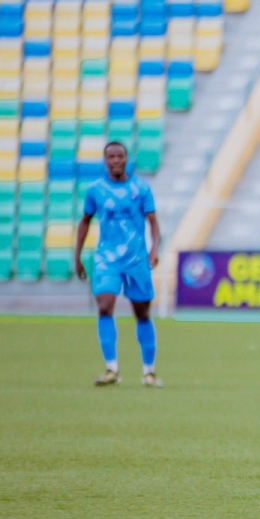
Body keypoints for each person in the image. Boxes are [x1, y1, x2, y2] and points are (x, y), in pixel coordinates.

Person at [74, 141, 163, 388]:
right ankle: (111, 368)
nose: (115, 160)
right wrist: (77, 256)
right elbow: (85, 221)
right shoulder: (95, 190)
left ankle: (149, 371)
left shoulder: (141, 188)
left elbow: (153, 221)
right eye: (111, 157)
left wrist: (155, 248)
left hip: (136, 259)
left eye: (119, 156)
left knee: (142, 313)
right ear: (105, 160)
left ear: (126, 159)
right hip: (106, 259)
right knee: (104, 306)